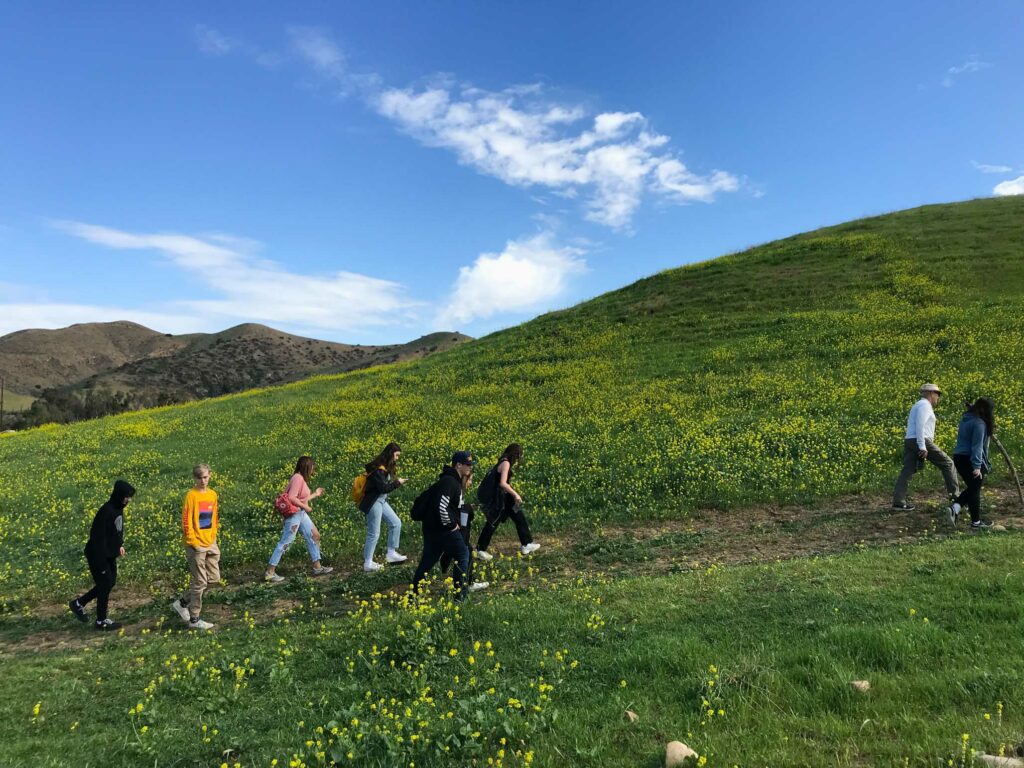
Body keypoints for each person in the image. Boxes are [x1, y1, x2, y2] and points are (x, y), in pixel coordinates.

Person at [68, 479, 135, 631]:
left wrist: (119, 545)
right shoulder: (106, 511)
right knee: (105, 584)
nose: (128, 500)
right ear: (119, 495)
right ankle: (101, 621)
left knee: (110, 582)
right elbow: (97, 537)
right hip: (97, 554)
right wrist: (101, 560)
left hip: (109, 553)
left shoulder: (118, 508)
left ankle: (78, 604)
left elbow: (115, 531)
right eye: (126, 496)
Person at [411, 451, 476, 599]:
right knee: (463, 553)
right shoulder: (450, 482)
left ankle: (414, 594)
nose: (470, 468)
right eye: (467, 464)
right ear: (458, 465)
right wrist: (451, 525)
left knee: (428, 561)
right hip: (444, 530)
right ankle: (460, 595)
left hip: (432, 529)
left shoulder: (452, 481)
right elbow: (441, 507)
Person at [264, 456, 333, 582]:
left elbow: (300, 498)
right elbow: (291, 498)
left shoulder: (300, 479)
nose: (313, 469)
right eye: (312, 467)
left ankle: (317, 567)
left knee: (315, 535)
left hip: (300, 513)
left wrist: (315, 494)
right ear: (307, 467)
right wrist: (305, 507)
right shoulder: (297, 478)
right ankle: (270, 571)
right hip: (294, 515)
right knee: (286, 542)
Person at [891, 384, 959, 511]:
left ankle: (898, 501)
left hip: (910, 440)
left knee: (908, 470)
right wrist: (922, 446)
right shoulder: (924, 406)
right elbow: (920, 426)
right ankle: (956, 499)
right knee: (948, 464)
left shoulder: (917, 405)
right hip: (920, 440)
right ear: (930, 393)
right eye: (937, 394)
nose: (938, 397)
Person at [171, 464, 219, 630]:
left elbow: (214, 516)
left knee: (213, 579)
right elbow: (186, 521)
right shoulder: (191, 496)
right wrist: (193, 542)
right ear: (195, 478)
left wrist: (213, 536)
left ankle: (182, 603)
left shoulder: (212, 494)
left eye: (205, 477)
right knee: (199, 582)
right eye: (199, 478)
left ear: (210, 476)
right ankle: (194, 619)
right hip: (196, 545)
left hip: (210, 541)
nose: (203, 481)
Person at [476, 444, 540, 560]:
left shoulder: (502, 461)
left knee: (519, 516)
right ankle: (480, 550)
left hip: (505, 498)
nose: (518, 459)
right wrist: (516, 494)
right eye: (519, 456)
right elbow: (503, 483)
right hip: (500, 500)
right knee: (492, 523)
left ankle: (526, 544)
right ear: (515, 454)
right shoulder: (506, 463)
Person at [358, 442, 408, 572]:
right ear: (391, 454)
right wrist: (397, 483)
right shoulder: (378, 470)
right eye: (396, 455)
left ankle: (391, 554)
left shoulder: (385, 467)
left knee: (396, 523)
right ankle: (368, 563)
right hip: (374, 502)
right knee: (374, 533)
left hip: (381, 500)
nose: (397, 458)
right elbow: (383, 488)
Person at [440, 466, 489, 592]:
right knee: (464, 551)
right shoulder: (456, 489)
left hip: (454, 527)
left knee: (466, 551)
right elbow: (456, 511)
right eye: (470, 480)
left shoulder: (457, 488)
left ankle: (467, 582)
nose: (471, 483)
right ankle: (463, 586)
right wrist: (468, 509)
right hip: (454, 528)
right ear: (464, 479)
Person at [949, 398, 995, 531]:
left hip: (959, 457)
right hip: (969, 458)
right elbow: (977, 446)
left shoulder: (966, 418)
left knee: (973, 487)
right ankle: (975, 521)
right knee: (975, 488)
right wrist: (976, 466)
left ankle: (956, 508)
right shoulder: (979, 423)